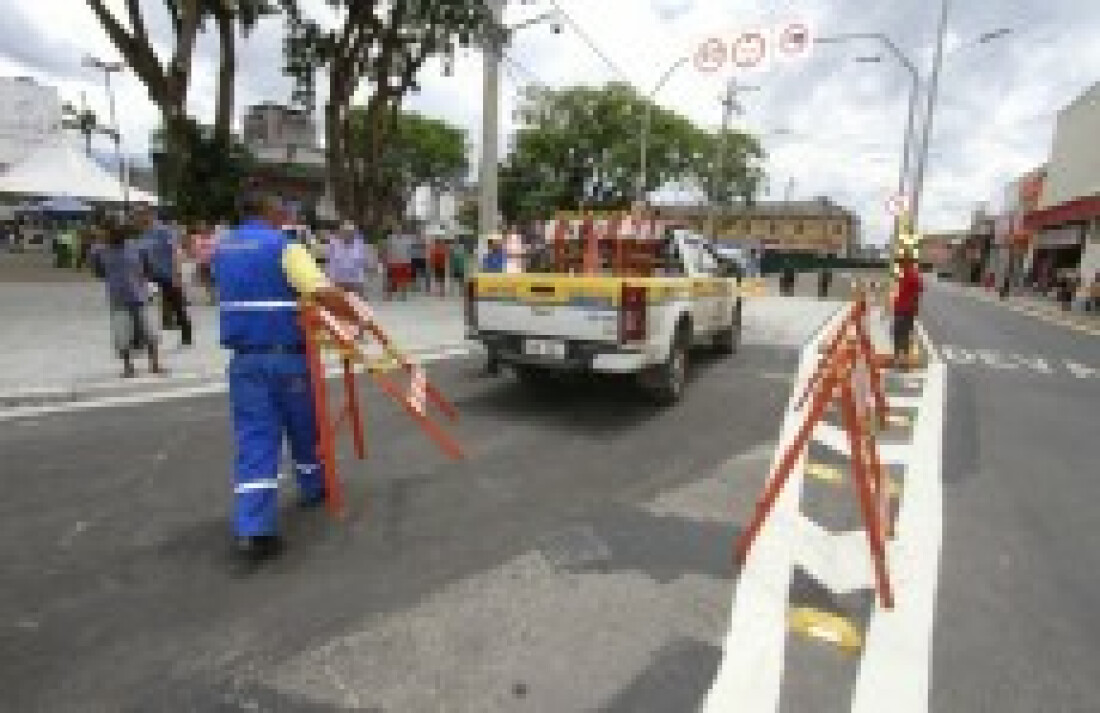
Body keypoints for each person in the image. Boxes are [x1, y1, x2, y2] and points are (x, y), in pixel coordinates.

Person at [212, 193, 360, 565]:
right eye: (283, 211)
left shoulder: (223, 248)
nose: (287, 216)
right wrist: (355, 316)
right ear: (271, 212)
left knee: (255, 441)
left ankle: (254, 529)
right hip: (286, 358)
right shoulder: (285, 247)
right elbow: (320, 291)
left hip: (245, 361)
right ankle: (313, 487)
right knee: (305, 427)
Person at [90, 221, 165, 378]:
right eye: (108, 233)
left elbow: (148, 267)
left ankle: (155, 363)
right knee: (122, 333)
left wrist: (144, 282)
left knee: (150, 330)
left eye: (113, 233)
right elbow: (98, 272)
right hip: (118, 297)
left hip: (141, 295)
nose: (109, 236)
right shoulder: (98, 252)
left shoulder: (137, 247)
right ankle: (128, 367)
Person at [138, 208, 193, 346]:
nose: (140, 218)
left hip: (168, 273)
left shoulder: (164, 231)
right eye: (138, 215)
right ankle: (143, 337)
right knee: (142, 304)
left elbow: (176, 251)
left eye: (143, 214)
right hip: (153, 274)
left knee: (177, 304)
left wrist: (177, 273)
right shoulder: (144, 233)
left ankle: (186, 334)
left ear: (151, 215)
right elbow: (143, 255)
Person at [891, 255, 923, 370]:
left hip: (905, 311)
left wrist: (913, 307)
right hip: (902, 310)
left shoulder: (912, 275)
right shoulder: (905, 274)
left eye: (901, 262)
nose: (899, 265)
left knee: (901, 334)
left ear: (907, 262)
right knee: (899, 334)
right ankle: (899, 360)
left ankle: (902, 361)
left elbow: (918, 292)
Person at [326, 222, 368, 296]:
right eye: (345, 232)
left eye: (351, 233)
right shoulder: (333, 244)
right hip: (338, 282)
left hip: (355, 283)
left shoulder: (359, 244)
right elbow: (331, 263)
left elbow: (361, 263)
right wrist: (332, 281)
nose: (348, 235)